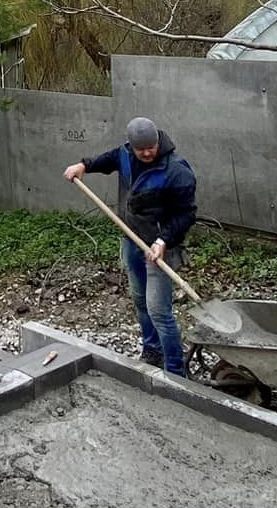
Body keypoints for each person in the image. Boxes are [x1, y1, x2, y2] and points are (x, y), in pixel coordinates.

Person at [65, 117, 197, 374]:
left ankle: (175, 370)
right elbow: (109, 159)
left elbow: (186, 214)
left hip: (160, 248)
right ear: (132, 145)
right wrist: (83, 165)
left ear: (158, 141)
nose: (147, 153)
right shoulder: (125, 155)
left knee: (159, 310)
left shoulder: (176, 171)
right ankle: (152, 350)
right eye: (141, 149)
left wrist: (163, 241)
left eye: (151, 147)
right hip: (132, 239)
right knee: (140, 299)